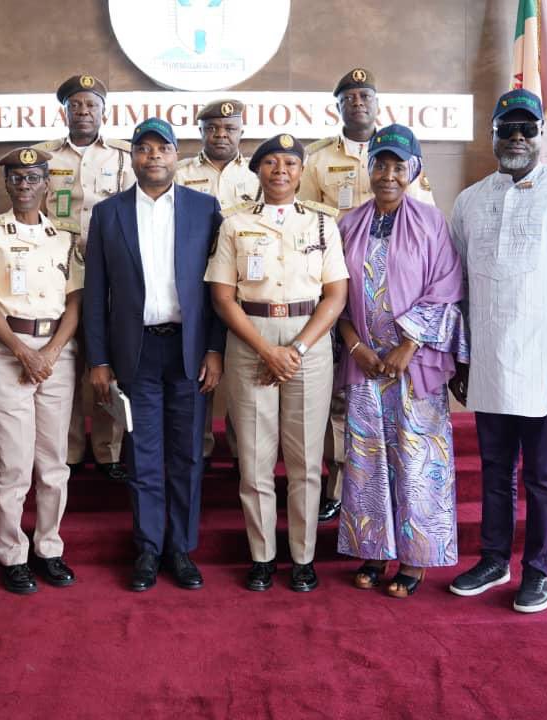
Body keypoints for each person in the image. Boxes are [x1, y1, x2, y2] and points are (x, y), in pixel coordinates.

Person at [447, 89, 547, 613]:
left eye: (527, 129)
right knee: (493, 470)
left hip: (545, 365)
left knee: (541, 478)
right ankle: (494, 559)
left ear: (540, 135)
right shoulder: (470, 201)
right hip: (489, 362)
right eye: (507, 128)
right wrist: (462, 356)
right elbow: (460, 287)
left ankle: (539, 570)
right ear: (492, 134)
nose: (517, 136)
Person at [84, 118, 225, 592]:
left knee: (186, 454)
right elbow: (96, 293)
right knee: (143, 455)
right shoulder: (108, 214)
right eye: (143, 149)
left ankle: (180, 548)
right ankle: (147, 548)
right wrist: (98, 359)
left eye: (162, 148)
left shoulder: (206, 210)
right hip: (136, 352)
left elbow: (218, 289)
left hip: (188, 349)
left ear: (175, 155)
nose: (153, 157)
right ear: (133, 158)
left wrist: (213, 349)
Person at [205, 133, 349, 592]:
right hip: (252, 339)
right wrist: (267, 350)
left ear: (302, 172)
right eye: (271, 162)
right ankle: (262, 555)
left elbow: (336, 295)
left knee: (306, 462)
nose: (280, 170)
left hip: (309, 339)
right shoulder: (233, 224)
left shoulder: (324, 224)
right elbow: (222, 297)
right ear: (258, 170)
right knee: (254, 460)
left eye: (290, 162)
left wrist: (298, 349)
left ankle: (303, 558)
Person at [299, 68, 436, 525]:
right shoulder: (319, 163)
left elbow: (436, 260)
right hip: (344, 315)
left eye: (365, 95)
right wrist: (351, 338)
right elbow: (309, 226)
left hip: (403, 335)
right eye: (349, 96)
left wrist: (410, 341)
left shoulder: (415, 184)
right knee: (346, 417)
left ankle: (410, 527)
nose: (388, 174)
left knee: (408, 433)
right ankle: (349, 503)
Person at [336, 125, 468, 598]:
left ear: (414, 169)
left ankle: (416, 558)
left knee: (417, 460)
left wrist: (406, 347)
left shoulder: (432, 223)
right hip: (366, 363)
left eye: (398, 165)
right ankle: (374, 549)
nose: (388, 174)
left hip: (415, 366)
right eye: (380, 163)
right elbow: (335, 298)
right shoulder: (348, 224)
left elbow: (447, 289)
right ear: (368, 167)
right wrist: (358, 348)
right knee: (369, 460)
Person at [0, 147, 84, 595]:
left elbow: (75, 303)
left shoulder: (65, 236)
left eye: (33, 178)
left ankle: (48, 548)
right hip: (4, 350)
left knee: (53, 464)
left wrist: (50, 352)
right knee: (14, 465)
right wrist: (21, 351)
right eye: (16, 178)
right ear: (6, 184)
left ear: (47, 184)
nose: (24, 185)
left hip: (56, 351)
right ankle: (12, 554)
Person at [34, 74, 135, 482]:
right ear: (64, 111)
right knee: (65, 358)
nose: (83, 111)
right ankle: (71, 450)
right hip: (58, 271)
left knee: (107, 356)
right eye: (75, 105)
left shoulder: (124, 157)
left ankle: (108, 451)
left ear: (103, 111)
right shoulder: (43, 156)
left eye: (91, 104)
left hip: (110, 270)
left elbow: (132, 213)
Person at [174, 98, 259, 465]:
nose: (221, 134)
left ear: (242, 131)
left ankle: (246, 457)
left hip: (245, 289)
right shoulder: (178, 173)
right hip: (193, 285)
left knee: (245, 377)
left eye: (229, 128)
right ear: (200, 132)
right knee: (198, 371)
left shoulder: (258, 175)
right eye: (212, 128)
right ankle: (200, 452)